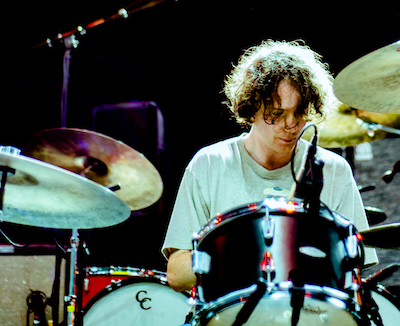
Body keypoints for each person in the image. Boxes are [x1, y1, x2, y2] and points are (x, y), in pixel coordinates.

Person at [162, 39, 377, 292]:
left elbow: (355, 268)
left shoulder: (333, 170)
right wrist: (244, 252)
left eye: (299, 112)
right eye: (276, 113)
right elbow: (176, 274)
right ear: (251, 107)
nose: (291, 124)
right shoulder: (209, 164)